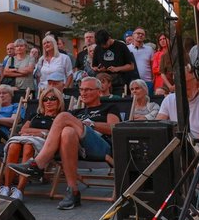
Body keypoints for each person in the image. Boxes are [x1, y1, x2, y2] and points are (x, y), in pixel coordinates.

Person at [8, 76, 119, 210]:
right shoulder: (76, 112)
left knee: (63, 117)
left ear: (99, 91)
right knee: (67, 131)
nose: (83, 93)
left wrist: (91, 124)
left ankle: (38, 164)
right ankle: (73, 191)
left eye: (88, 89)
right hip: (77, 148)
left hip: (99, 146)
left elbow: (114, 129)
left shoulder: (109, 107)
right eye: (82, 89)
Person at [0, 86, 64, 199]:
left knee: (28, 146)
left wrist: (37, 133)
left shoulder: (61, 117)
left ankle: (20, 190)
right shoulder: (35, 115)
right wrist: (43, 132)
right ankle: (6, 187)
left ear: (59, 100)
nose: (48, 102)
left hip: (45, 144)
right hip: (25, 139)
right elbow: (23, 130)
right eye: (45, 99)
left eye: (53, 98)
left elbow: (54, 133)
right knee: (13, 145)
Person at [156, 65, 199, 148]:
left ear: (198, 84)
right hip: (180, 151)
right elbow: (158, 126)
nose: (182, 92)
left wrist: (189, 148)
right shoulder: (169, 99)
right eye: (179, 87)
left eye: (187, 89)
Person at [92, 29, 136, 95]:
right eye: (102, 45)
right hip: (103, 83)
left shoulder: (121, 46)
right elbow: (94, 66)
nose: (104, 46)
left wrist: (117, 69)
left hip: (119, 83)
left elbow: (131, 66)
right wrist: (98, 69)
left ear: (109, 38)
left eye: (105, 44)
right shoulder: (97, 48)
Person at [127, 28, 155, 93]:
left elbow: (152, 65)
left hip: (147, 81)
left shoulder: (150, 49)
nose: (140, 35)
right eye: (138, 33)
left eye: (142, 34)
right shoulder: (127, 48)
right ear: (133, 36)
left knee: (148, 101)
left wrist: (153, 80)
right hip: (132, 82)